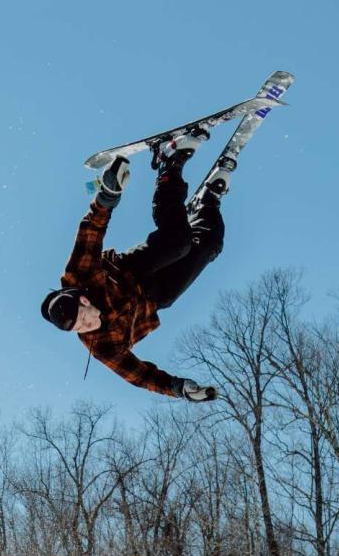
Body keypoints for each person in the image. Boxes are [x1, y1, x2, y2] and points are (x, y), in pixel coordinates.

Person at [40, 134, 223, 401]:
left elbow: (90, 231)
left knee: (179, 243)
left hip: (133, 270)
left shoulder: (80, 276)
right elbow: (139, 375)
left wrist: (107, 195)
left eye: (84, 318)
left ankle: (168, 164)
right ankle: (207, 201)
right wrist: (177, 388)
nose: (88, 325)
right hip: (153, 299)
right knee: (209, 246)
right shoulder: (101, 346)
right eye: (79, 328)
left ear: (83, 299)